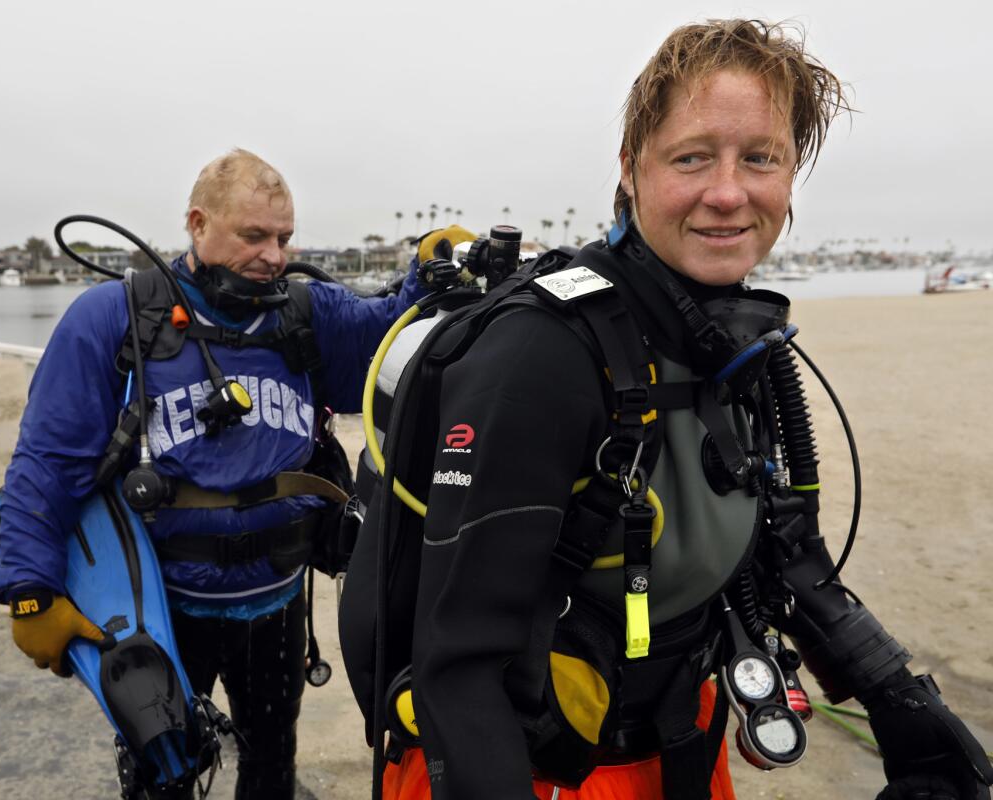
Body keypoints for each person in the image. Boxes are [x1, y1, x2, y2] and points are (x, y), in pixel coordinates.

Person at [339, 20, 993, 800]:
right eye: (692, 157)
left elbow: (788, 554)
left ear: (789, 173)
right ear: (631, 168)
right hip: (533, 766)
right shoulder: (540, 354)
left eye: (760, 157)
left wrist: (899, 701)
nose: (728, 192)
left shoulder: (734, 339)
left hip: (682, 741)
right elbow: (460, 665)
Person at [0, 148, 473, 798]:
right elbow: (47, 460)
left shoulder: (305, 314)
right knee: (161, 776)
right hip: (162, 613)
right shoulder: (116, 319)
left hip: (273, 609)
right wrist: (29, 588)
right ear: (197, 224)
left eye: (283, 238)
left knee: (272, 768)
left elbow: (386, 336)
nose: (274, 255)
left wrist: (427, 273)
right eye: (253, 236)